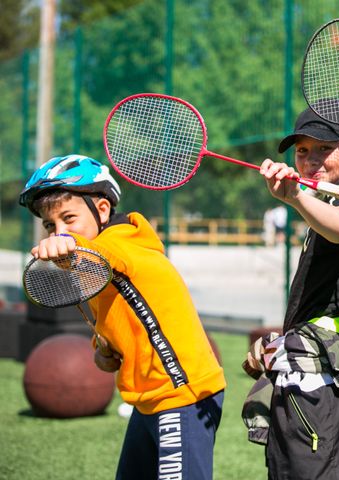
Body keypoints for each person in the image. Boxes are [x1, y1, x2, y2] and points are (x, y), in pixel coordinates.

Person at [19, 154, 226, 480]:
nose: (58, 231)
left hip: (181, 397)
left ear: (102, 209)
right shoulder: (98, 266)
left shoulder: (120, 244)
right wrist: (105, 351)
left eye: (68, 219)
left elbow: (101, 255)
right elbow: (110, 351)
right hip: (146, 399)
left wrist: (67, 246)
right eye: (50, 225)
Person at [242, 100, 339, 480]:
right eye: (303, 151)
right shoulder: (323, 202)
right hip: (303, 370)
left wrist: (295, 196)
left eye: (325, 147)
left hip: (323, 384)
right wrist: (277, 345)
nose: (311, 158)